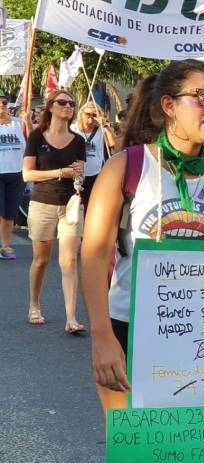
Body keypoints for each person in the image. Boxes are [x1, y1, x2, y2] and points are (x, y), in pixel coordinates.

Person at [80, 60, 204, 463]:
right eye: (203, 97)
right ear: (168, 105)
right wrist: (102, 338)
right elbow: (92, 255)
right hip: (130, 333)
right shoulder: (126, 167)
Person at [22, 90, 87, 331]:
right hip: (42, 202)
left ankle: (71, 318)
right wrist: (60, 173)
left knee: (69, 260)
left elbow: (80, 173)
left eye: (71, 103)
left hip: (70, 203)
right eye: (62, 102)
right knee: (41, 260)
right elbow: (27, 174)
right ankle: (34, 305)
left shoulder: (79, 140)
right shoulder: (37, 137)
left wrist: (80, 170)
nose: (68, 106)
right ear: (50, 107)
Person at [0, 89, 29, 260]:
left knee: (10, 214)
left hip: (17, 175)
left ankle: (5, 246)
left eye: (4, 102)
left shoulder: (20, 123)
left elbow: (32, 141)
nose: (2, 106)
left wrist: (29, 123)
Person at [71, 101, 115, 210]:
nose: (90, 119)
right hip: (76, 173)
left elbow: (113, 143)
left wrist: (104, 125)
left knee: (91, 204)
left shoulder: (101, 129)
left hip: (96, 173)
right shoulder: (73, 128)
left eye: (94, 115)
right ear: (82, 114)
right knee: (76, 205)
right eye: (88, 115)